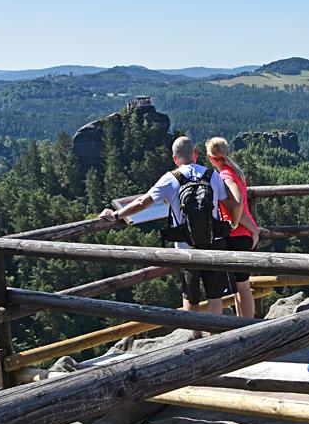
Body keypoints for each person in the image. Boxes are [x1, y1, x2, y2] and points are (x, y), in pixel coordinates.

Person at [98, 136, 240, 329]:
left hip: (185, 248)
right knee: (215, 296)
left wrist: (116, 214)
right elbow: (231, 203)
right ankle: (215, 336)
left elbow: (142, 202)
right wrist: (233, 224)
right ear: (196, 155)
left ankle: (195, 338)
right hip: (214, 243)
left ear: (175, 158)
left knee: (191, 296)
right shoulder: (211, 174)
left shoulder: (170, 178)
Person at [206, 137, 260, 319]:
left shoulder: (225, 175)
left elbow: (237, 204)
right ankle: (243, 323)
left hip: (237, 234)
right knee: (240, 284)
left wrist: (236, 223)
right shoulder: (236, 171)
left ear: (210, 157)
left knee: (242, 285)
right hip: (244, 234)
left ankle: (246, 326)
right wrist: (252, 229)